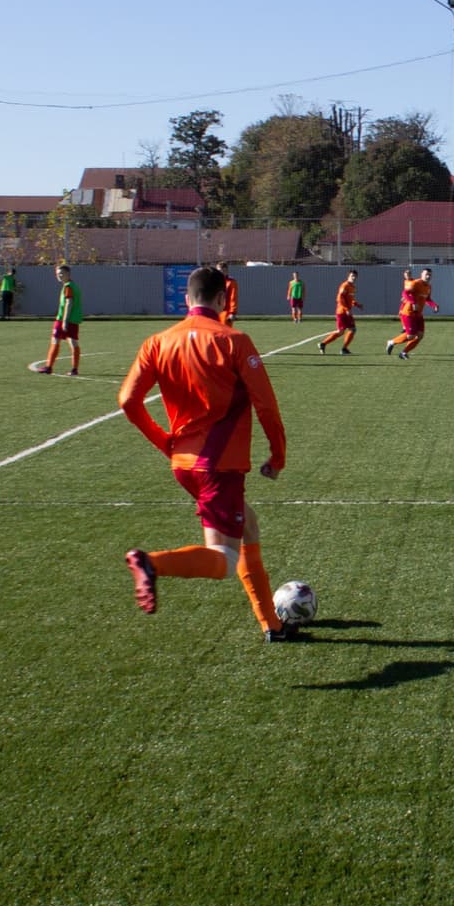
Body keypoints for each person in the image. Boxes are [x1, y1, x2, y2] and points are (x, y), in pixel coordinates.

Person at [118, 265, 296, 640]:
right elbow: (266, 405)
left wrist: (164, 441)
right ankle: (151, 564)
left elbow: (128, 401)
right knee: (224, 560)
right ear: (222, 300)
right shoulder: (234, 341)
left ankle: (272, 624)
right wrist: (277, 457)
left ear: (187, 299)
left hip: (183, 463)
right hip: (219, 465)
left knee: (247, 524)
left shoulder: (158, 341)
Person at [385, 268, 438, 360]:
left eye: (430, 275)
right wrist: (413, 302)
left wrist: (434, 305)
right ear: (421, 274)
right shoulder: (415, 283)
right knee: (411, 336)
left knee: (420, 335)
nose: (428, 276)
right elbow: (404, 293)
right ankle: (392, 342)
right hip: (408, 313)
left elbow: (428, 299)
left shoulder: (428, 287)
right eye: (426, 274)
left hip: (419, 314)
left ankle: (403, 353)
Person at [38, 264, 82, 376]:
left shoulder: (68, 287)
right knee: (73, 342)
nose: (59, 275)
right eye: (57, 274)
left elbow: (69, 303)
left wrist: (65, 321)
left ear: (68, 274)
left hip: (63, 319)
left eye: (61, 273)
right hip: (74, 319)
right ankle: (74, 369)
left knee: (55, 340)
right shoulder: (74, 286)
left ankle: (49, 367)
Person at [317, 269, 361, 354]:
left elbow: (349, 299)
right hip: (341, 312)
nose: (354, 278)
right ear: (348, 276)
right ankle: (323, 344)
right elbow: (340, 299)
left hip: (347, 312)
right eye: (352, 276)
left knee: (352, 329)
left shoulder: (353, 287)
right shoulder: (344, 285)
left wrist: (356, 304)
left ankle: (344, 349)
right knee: (341, 332)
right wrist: (346, 309)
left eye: (355, 276)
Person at [218, 263, 240, 327]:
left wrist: (232, 312)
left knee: (225, 332)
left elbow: (233, 298)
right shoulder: (214, 281)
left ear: (227, 271)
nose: (221, 273)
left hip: (225, 312)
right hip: (215, 311)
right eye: (219, 271)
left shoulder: (231, 282)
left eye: (223, 271)